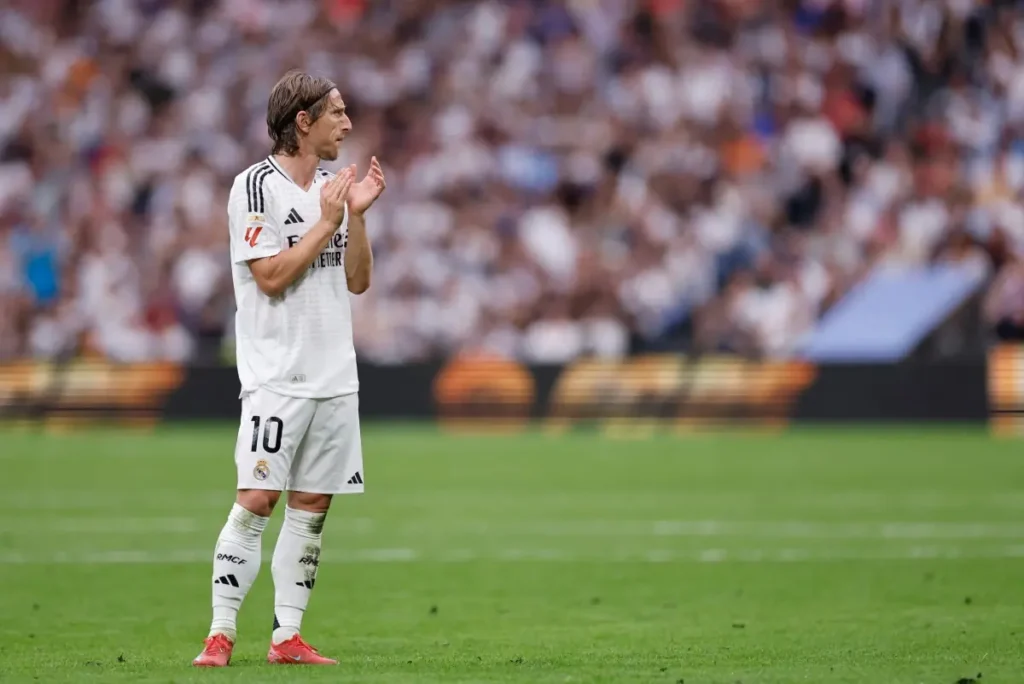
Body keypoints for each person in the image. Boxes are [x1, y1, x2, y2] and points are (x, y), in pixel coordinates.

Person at [192, 70, 386, 667]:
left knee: (311, 508)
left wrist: (355, 217)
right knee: (256, 500)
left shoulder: (333, 188)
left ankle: (287, 637)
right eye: (337, 113)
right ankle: (220, 634)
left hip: (335, 378)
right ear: (303, 122)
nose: (347, 124)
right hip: (278, 377)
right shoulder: (255, 187)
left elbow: (358, 281)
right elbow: (271, 276)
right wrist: (327, 222)